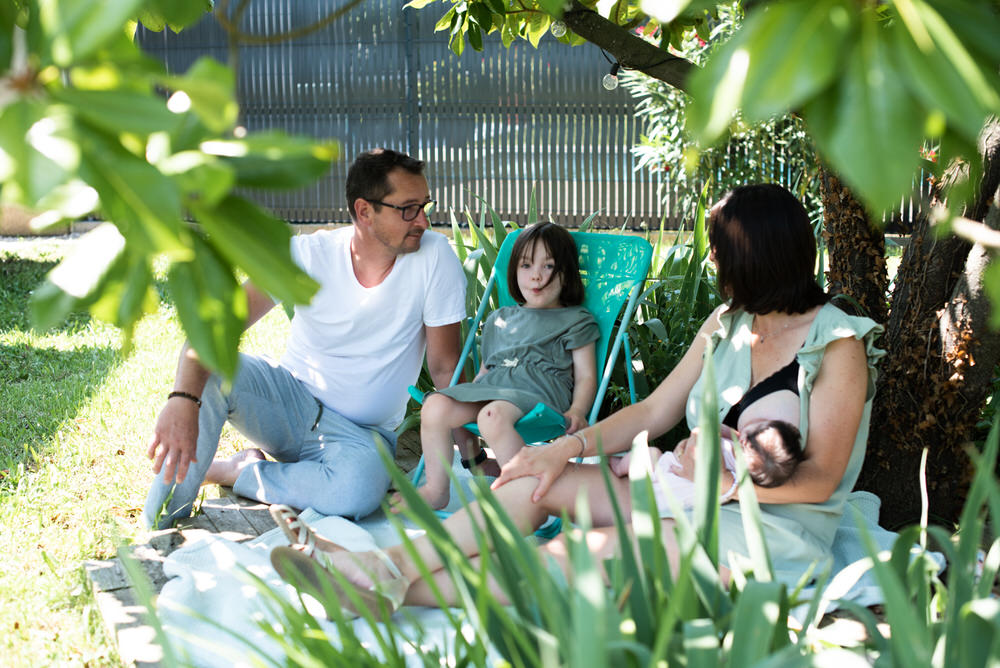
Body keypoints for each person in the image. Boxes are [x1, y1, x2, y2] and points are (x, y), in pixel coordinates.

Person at [269, 183, 885, 616]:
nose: (714, 257)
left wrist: (713, 486)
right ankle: (387, 568)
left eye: (722, 248)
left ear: (759, 257)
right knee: (533, 478)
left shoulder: (837, 346)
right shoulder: (727, 321)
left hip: (762, 529)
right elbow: (653, 412)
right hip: (681, 492)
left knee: (580, 560)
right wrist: (564, 448)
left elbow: (820, 480)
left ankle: (376, 586)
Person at [142, 148, 468, 530]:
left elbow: (446, 367)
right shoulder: (308, 255)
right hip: (289, 404)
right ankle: (161, 523)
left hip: (361, 437)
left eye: (424, 205)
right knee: (210, 373)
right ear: (364, 211)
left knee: (358, 491)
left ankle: (238, 472)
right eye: (408, 209)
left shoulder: (435, 259)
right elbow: (216, 329)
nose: (424, 221)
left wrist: (473, 454)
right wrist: (181, 400)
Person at [401, 222, 599, 510]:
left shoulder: (575, 320)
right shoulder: (499, 319)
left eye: (549, 266)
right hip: (496, 390)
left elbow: (586, 376)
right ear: (514, 272)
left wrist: (578, 410)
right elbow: (487, 370)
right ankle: (436, 490)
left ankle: (524, 493)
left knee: (491, 416)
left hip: (540, 395)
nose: (536, 276)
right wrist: (471, 389)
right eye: (527, 265)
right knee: (435, 406)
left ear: (566, 273)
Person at [609, 386, 805, 511]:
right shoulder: (734, 482)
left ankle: (619, 467)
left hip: (663, 476)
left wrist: (727, 433)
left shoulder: (723, 454)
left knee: (650, 454)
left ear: (745, 441)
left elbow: (706, 429)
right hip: (672, 506)